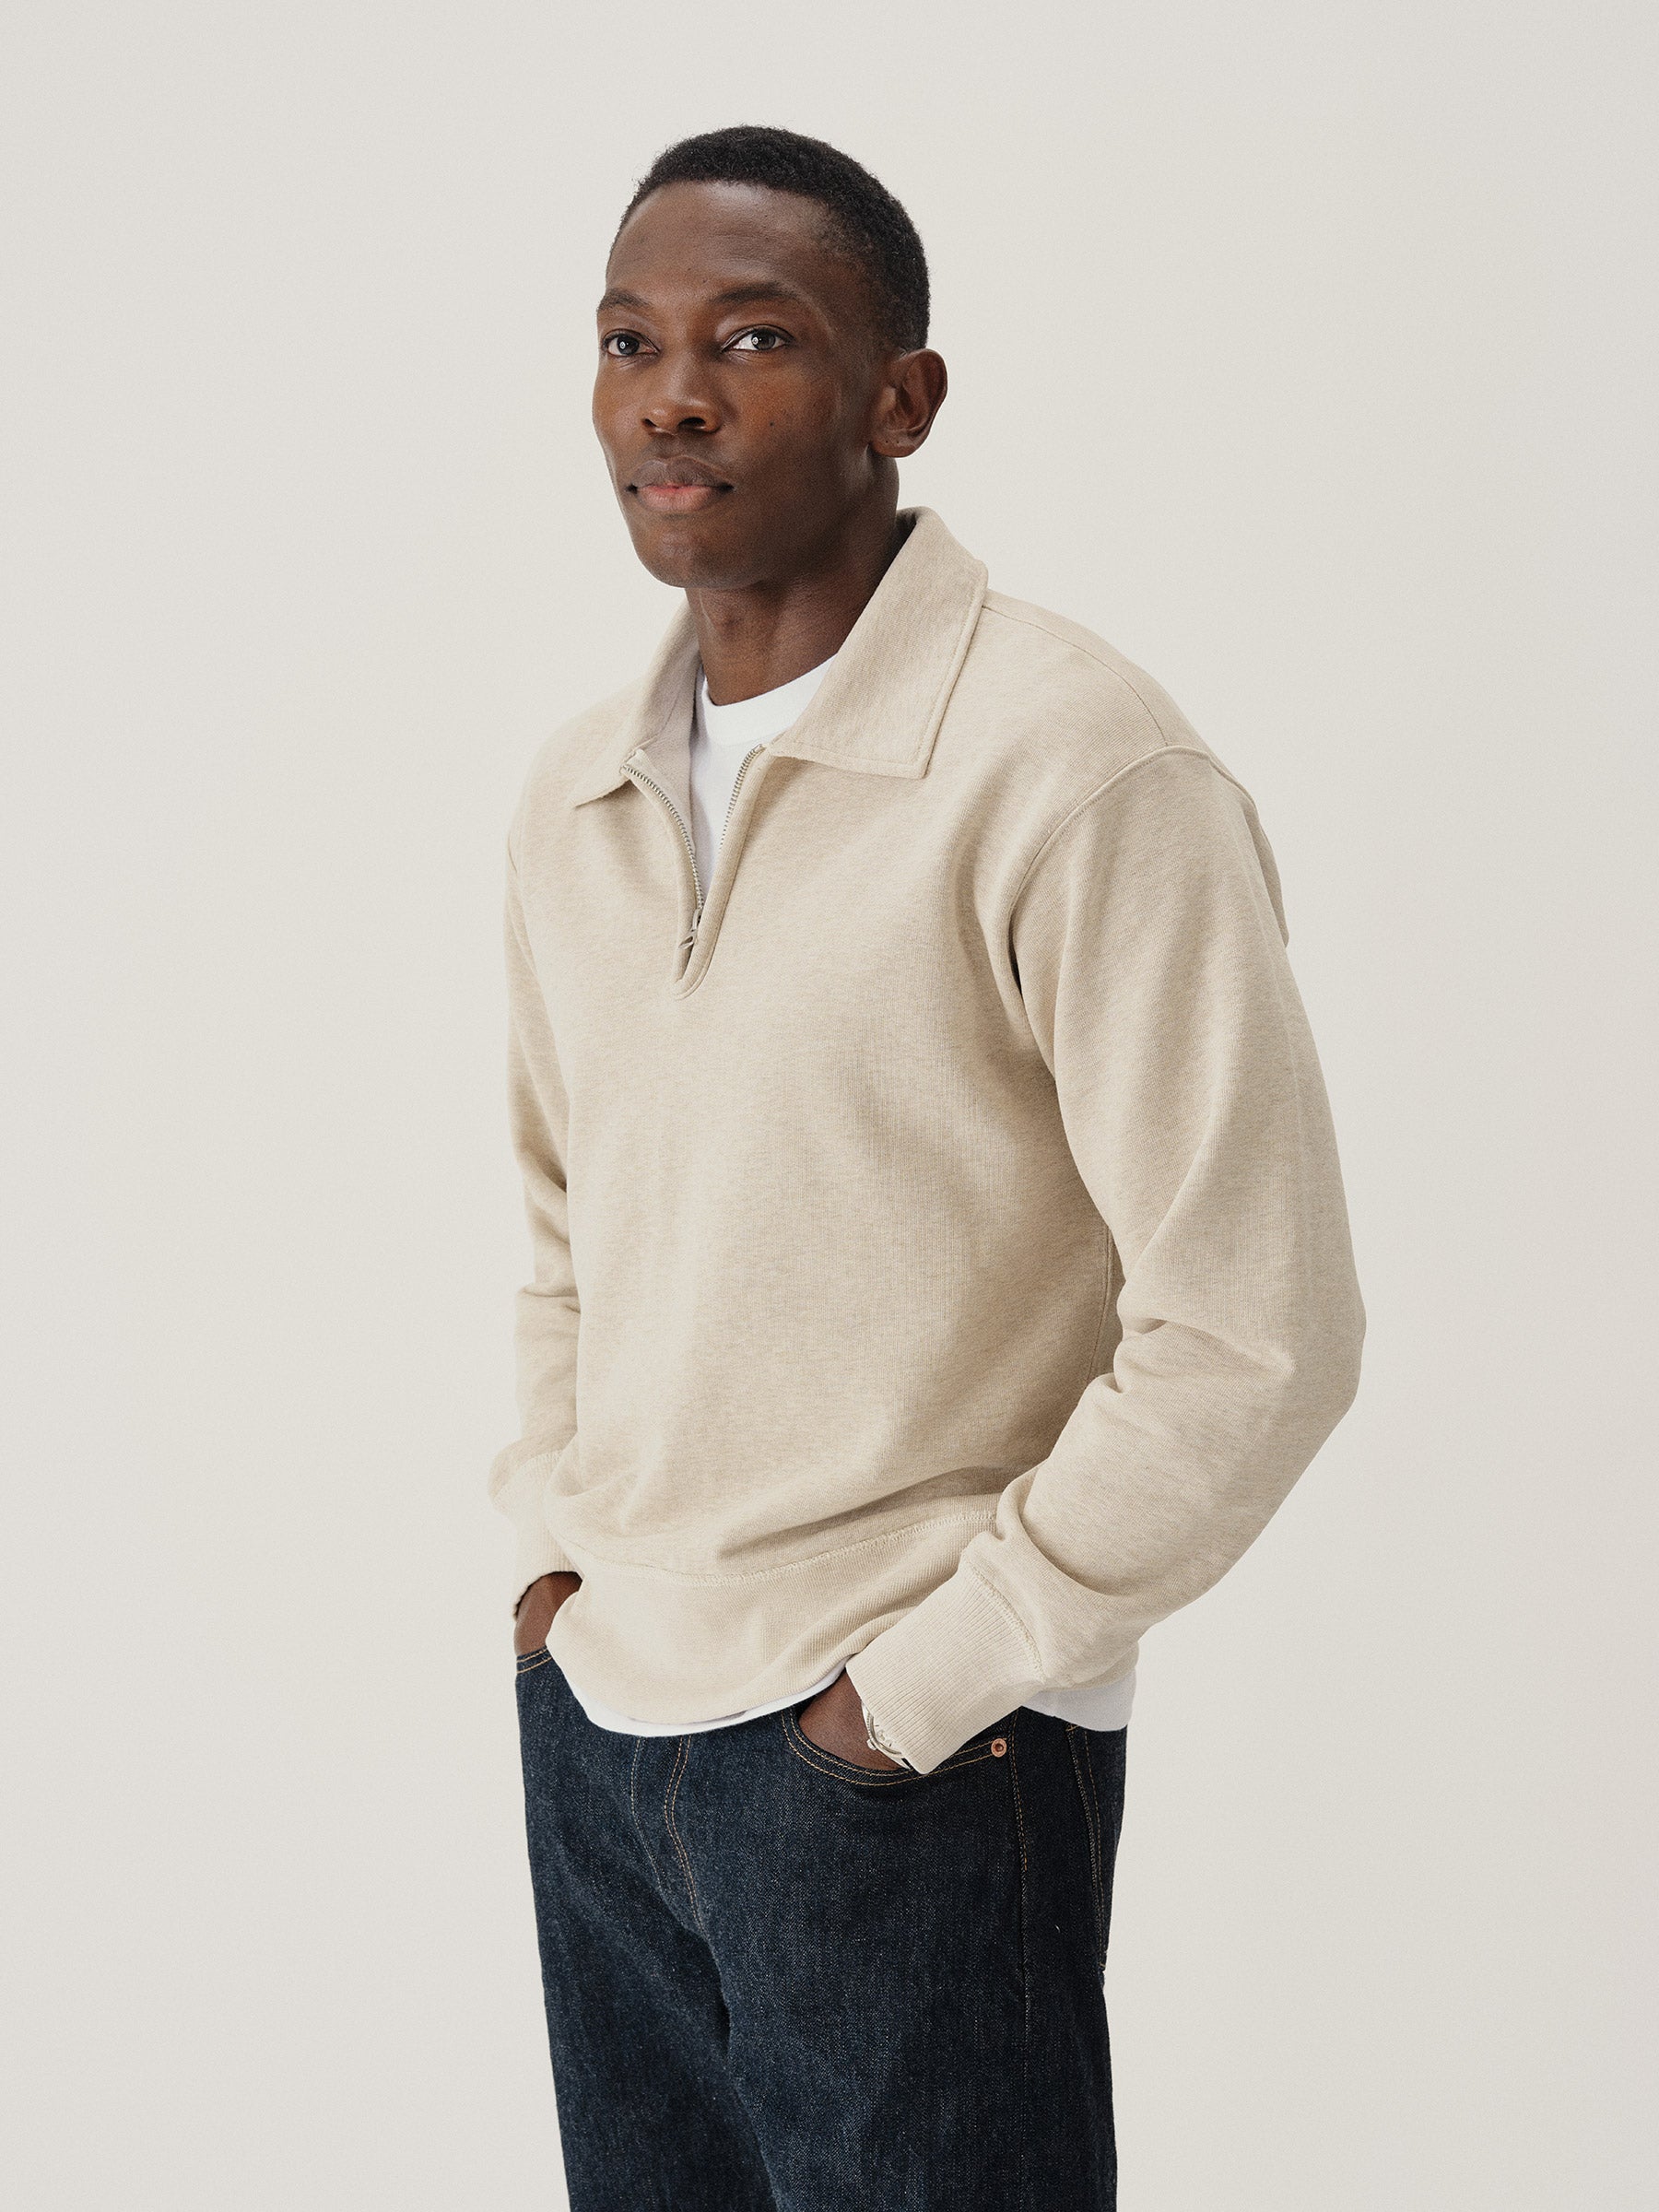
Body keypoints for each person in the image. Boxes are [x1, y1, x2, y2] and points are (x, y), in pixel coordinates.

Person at [489, 124, 1363, 2212]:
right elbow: (566, 1232)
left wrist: (926, 1686)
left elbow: (1259, 1331)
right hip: (607, 1731)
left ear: (904, 399)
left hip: (912, 1757)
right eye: (627, 341)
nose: (671, 396)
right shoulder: (577, 795)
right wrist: (553, 1576)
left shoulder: (1078, 764)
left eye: (752, 338)